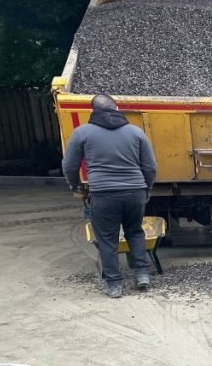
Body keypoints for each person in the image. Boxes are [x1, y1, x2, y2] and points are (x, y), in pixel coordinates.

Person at [63, 94, 157, 298]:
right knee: (135, 231)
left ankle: (115, 285)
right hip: (135, 192)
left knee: (107, 239)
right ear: (116, 108)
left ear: (92, 112)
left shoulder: (81, 133)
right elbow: (150, 166)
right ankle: (142, 275)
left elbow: (69, 166)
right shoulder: (136, 132)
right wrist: (146, 188)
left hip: (104, 194)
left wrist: (75, 185)